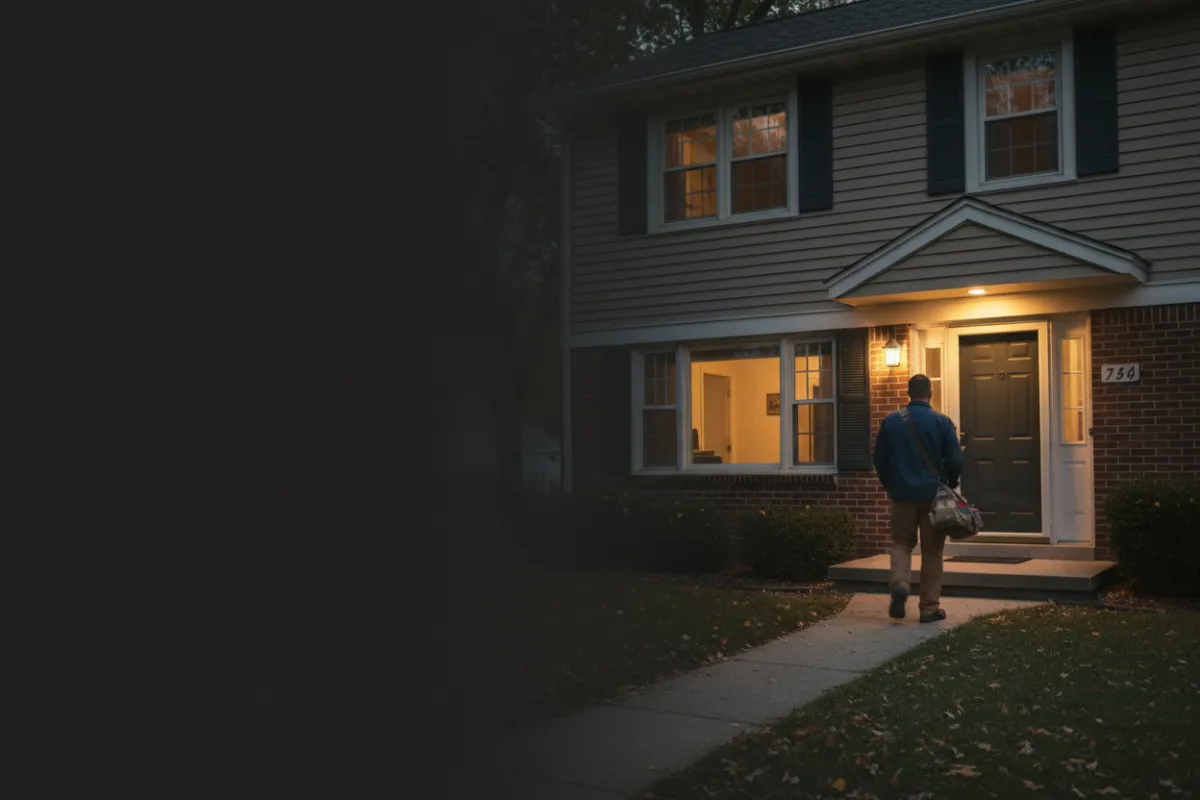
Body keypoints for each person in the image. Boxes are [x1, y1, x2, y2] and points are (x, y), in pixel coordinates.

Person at [872, 374, 964, 623]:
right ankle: (929, 608)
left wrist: (889, 483)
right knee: (932, 550)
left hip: (902, 495)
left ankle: (901, 583)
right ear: (930, 393)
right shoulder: (942, 422)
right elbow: (955, 461)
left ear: (908, 393)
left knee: (901, 543)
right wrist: (951, 482)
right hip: (934, 497)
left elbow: (879, 459)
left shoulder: (891, 422)